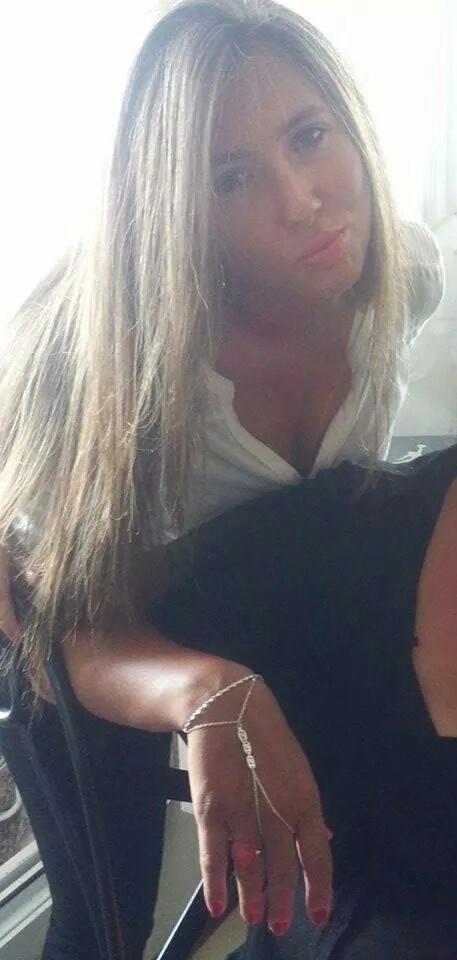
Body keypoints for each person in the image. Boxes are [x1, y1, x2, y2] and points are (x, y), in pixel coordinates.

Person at [0, 0, 445, 955]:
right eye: (231, 178)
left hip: (320, 649)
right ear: (177, 207)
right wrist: (203, 689)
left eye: (309, 136)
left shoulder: (405, 276)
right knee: (104, 926)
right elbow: (64, 620)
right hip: (133, 655)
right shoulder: (124, 375)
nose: (302, 201)